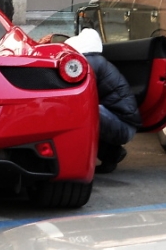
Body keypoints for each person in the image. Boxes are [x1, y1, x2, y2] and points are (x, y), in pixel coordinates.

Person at [48, 28, 142, 174]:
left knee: (82, 110)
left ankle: (110, 154)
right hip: (123, 124)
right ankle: (111, 152)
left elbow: (76, 97)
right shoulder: (96, 61)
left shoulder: (88, 63)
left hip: (121, 126)